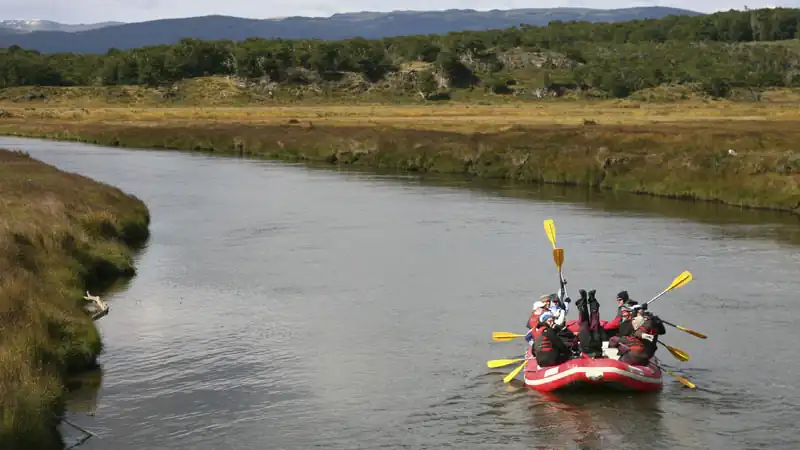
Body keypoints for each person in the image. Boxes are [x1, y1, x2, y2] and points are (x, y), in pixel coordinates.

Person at [575, 289, 603, 357]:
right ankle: (589, 300)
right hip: (591, 347)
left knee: (588, 323)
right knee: (593, 322)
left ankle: (586, 300)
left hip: (591, 348)